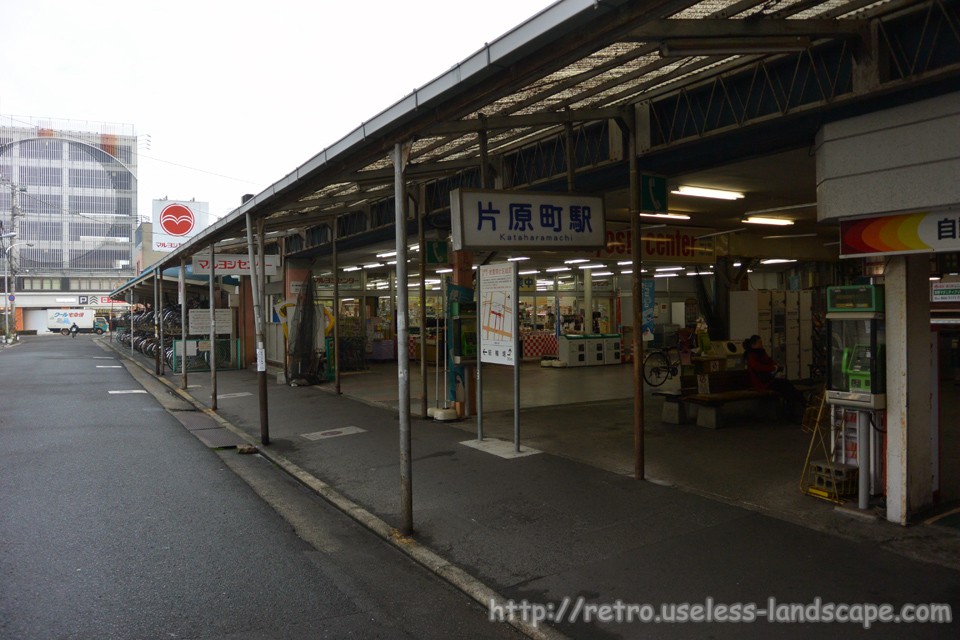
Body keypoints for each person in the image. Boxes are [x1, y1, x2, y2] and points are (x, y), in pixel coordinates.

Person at [742, 334, 805, 422]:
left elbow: (769, 361)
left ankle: (798, 407)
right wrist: (773, 368)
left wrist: (775, 366)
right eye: (759, 343)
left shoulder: (760, 352)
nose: (761, 344)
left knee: (787, 386)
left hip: (768, 379)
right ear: (753, 344)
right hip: (762, 382)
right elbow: (758, 367)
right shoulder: (751, 355)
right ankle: (800, 407)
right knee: (786, 387)